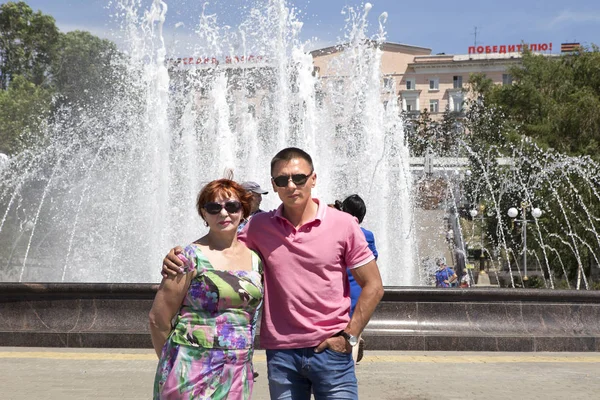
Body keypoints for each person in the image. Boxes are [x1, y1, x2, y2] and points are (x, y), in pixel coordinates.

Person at [162, 147, 384, 400]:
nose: (291, 185)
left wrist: (349, 336)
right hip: (282, 355)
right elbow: (221, 244)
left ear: (313, 178)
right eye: (282, 180)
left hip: (331, 352)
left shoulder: (343, 224)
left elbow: (374, 286)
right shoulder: (259, 226)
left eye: (299, 178)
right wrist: (180, 255)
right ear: (274, 185)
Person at [150, 178, 263, 400]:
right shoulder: (188, 257)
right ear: (204, 214)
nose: (223, 213)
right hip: (191, 368)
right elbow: (158, 319)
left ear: (244, 210)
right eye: (214, 207)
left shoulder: (254, 259)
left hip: (237, 368)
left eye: (232, 206)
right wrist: (174, 362)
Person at [334, 195, 378, 364]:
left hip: (338, 285)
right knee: (355, 330)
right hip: (358, 286)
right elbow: (372, 259)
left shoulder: (334, 230)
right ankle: (350, 362)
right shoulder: (367, 235)